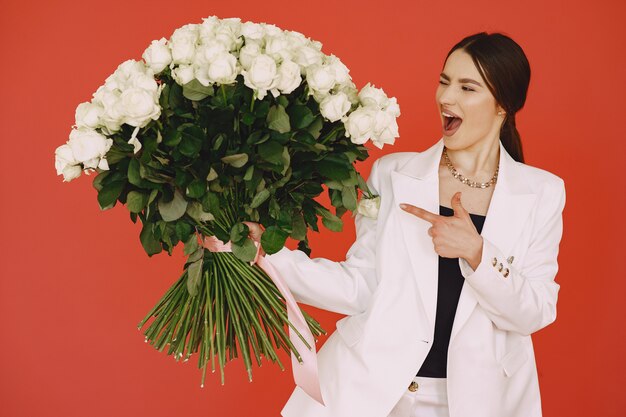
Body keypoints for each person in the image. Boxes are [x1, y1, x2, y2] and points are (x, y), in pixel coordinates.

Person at [245, 32, 566, 417]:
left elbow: (535, 311)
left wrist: (477, 253)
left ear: (504, 106)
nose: (447, 98)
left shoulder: (542, 193)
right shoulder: (392, 174)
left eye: (467, 87)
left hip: (477, 402)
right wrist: (267, 254)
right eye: (444, 82)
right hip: (372, 392)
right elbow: (362, 286)